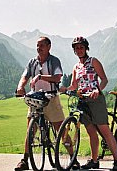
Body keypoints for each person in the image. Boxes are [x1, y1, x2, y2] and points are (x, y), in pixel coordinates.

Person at [15, 36, 79, 171]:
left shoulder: (54, 61)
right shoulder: (32, 62)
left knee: (61, 130)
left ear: (49, 47)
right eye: (37, 45)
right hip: (35, 98)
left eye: (42, 45)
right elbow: (25, 76)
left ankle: (73, 158)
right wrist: (20, 87)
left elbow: (57, 77)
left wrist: (40, 76)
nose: (39, 48)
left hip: (51, 98)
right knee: (30, 131)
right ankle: (25, 160)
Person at [60, 36, 117, 171]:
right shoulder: (76, 67)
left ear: (86, 48)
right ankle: (94, 161)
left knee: (104, 130)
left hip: (96, 100)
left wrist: (97, 89)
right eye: (76, 48)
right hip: (83, 101)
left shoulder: (93, 61)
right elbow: (74, 85)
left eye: (81, 47)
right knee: (91, 133)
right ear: (74, 51)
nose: (79, 50)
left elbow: (104, 79)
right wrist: (65, 89)